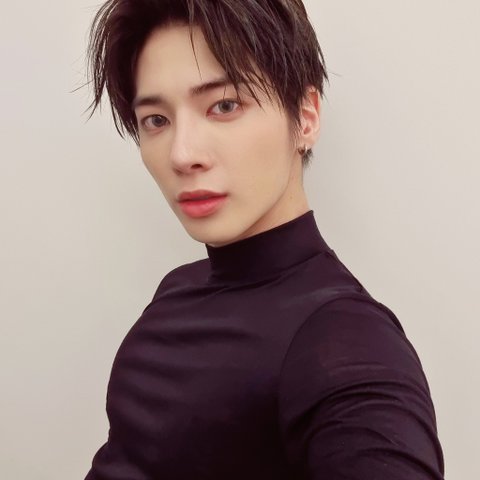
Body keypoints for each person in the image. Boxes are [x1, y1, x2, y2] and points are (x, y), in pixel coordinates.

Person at [83, 1, 445, 478]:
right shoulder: (178, 288)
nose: (182, 154)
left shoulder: (347, 340)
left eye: (224, 105)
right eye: (156, 119)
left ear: (306, 117)